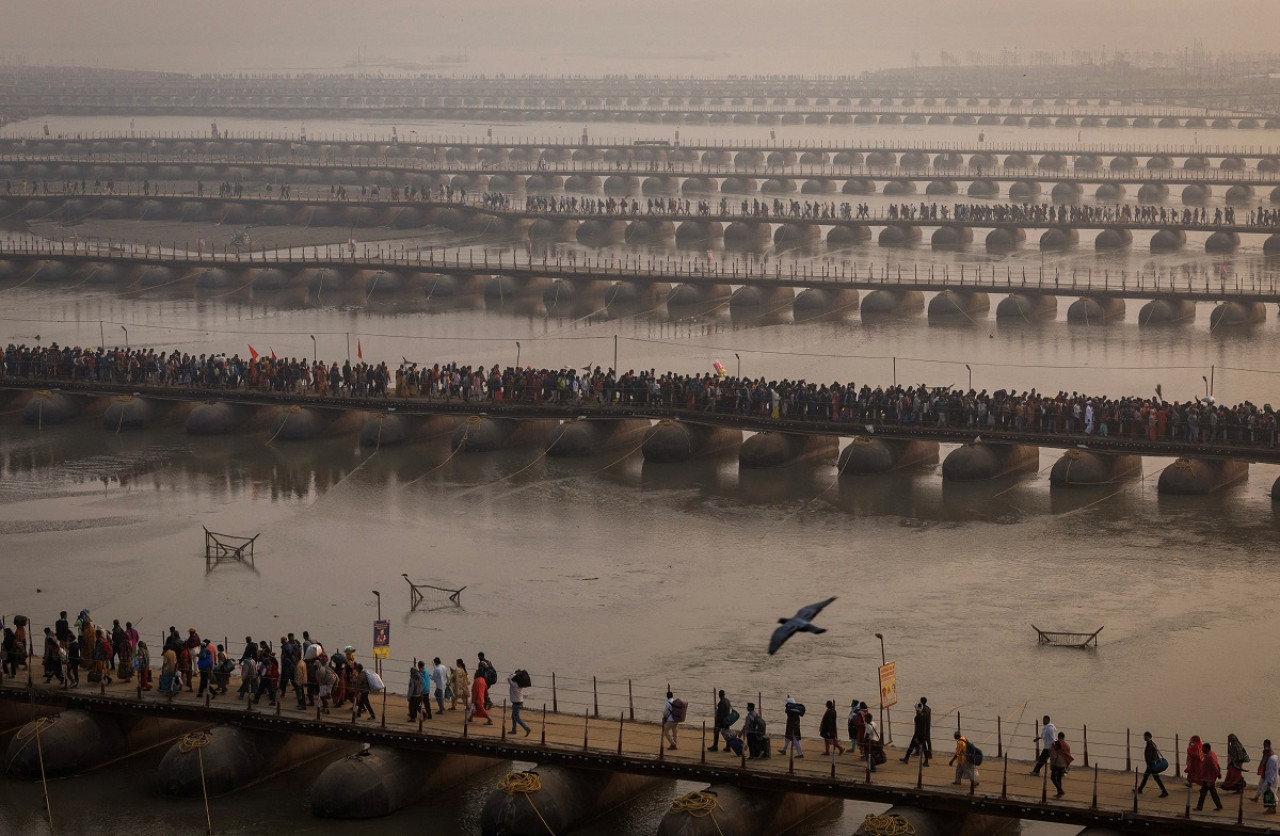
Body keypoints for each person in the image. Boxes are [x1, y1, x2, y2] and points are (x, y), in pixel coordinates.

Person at [1137, 731, 1170, 797]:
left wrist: (1148, 765)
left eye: (1145, 736)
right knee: (1147, 776)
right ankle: (1140, 789)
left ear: (1148, 737)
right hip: (1153, 764)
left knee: (1154, 778)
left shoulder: (1149, 744)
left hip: (1151, 765)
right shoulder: (1152, 743)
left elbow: (1149, 755)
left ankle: (1164, 791)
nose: (1144, 737)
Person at [1195, 741, 1224, 811]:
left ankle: (1199, 807)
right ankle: (1219, 805)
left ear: (1206, 749)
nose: (1202, 750)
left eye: (1203, 748)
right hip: (1209, 777)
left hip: (1208, 778)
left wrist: (1218, 774)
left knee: (1204, 793)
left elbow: (1214, 767)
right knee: (1211, 792)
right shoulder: (1212, 754)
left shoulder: (1209, 757)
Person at [903, 699, 931, 765]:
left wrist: (916, 737)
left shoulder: (917, 717)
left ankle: (906, 758)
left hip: (918, 734)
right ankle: (926, 761)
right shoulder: (925, 715)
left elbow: (917, 728)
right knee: (924, 747)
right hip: (923, 733)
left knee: (911, 746)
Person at [1253, 740, 1277, 813]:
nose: (1264, 746)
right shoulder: (1266, 752)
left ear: (1269, 745)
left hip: (1269, 777)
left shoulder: (1271, 756)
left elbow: (1271, 769)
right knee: (1264, 790)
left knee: (1268, 792)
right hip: (1265, 774)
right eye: (1264, 745)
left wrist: (1269, 781)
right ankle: (1271, 807)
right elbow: (1263, 761)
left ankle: (1271, 808)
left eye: (1265, 745)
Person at [1049, 731, 1073, 797]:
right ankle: (1059, 793)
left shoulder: (1055, 744)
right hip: (1064, 764)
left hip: (1057, 764)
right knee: (1059, 778)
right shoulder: (1067, 745)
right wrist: (1067, 766)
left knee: (1053, 777)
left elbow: (1053, 756)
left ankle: (1060, 790)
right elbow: (1068, 756)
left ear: (1058, 737)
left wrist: (1051, 765)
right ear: (1064, 737)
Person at [508, 671, 532, 737]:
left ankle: (527, 729)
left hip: (516, 704)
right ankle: (514, 730)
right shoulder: (520, 685)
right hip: (519, 702)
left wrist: (514, 674)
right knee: (513, 717)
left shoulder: (514, 684)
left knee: (517, 718)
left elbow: (508, 678)